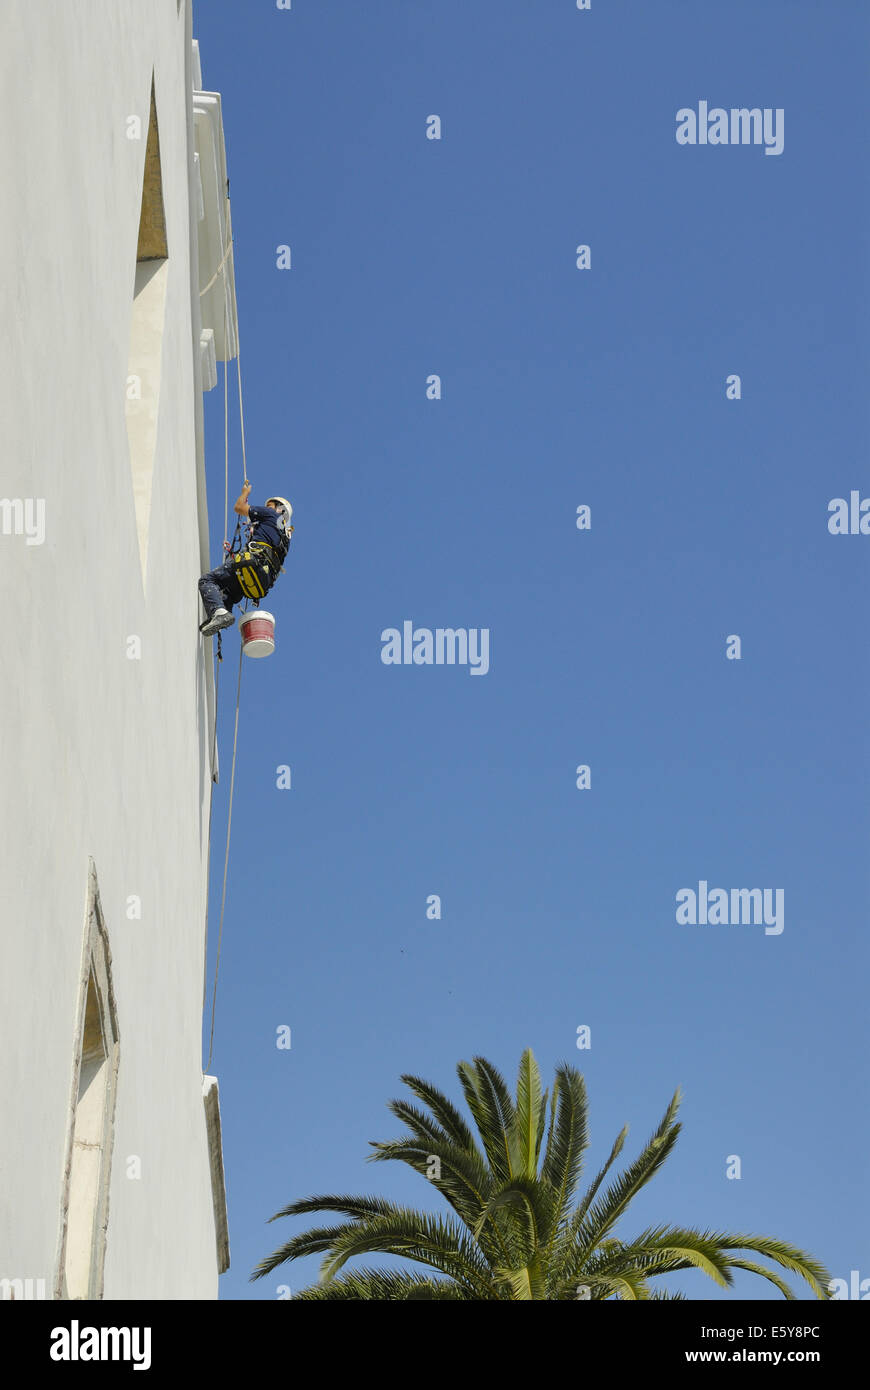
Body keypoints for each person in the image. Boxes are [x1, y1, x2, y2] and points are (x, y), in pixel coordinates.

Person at [198, 482, 293, 636]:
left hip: (252, 564)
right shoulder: (286, 539)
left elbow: (239, 507)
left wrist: (245, 493)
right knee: (226, 595)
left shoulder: (271, 514)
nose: (267, 508)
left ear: (279, 509)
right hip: (261, 581)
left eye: (270, 505)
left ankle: (219, 613)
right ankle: (220, 614)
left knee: (207, 580)